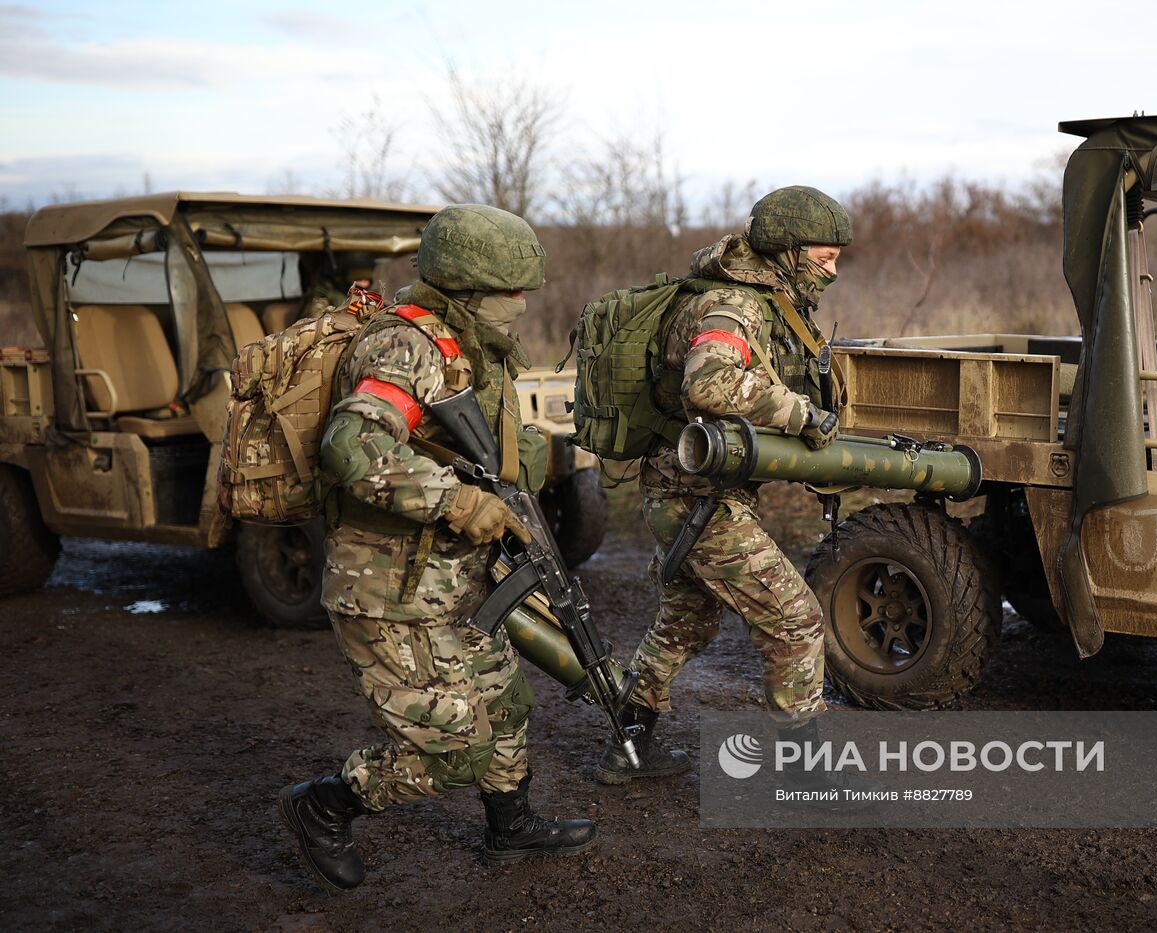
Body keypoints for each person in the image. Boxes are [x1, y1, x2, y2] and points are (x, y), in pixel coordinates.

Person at [279, 204, 595, 894]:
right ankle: (326, 803)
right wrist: (457, 501)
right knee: (454, 749)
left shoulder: (472, 349)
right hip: (384, 590)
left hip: (448, 581)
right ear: (470, 288)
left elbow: (480, 450)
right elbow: (351, 445)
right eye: (511, 291)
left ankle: (510, 828)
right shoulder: (406, 348)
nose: (520, 304)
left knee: (506, 700)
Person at [595, 186, 851, 784]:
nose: (833, 271)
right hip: (695, 499)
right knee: (795, 620)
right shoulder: (734, 306)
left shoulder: (759, 300)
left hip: (685, 493)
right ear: (789, 252)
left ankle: (628, 749)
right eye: (826, 256)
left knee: (687, 621)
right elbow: (707, 387)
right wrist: (799, 415)